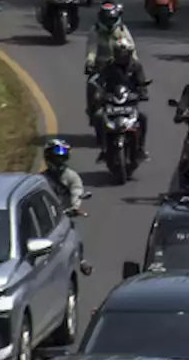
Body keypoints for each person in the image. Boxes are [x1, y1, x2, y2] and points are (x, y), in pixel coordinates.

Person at [90, 36, 149, 160]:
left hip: (130, 101)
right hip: (112, 101)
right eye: (118, 53)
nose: (121, 56)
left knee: (143, 118)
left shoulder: (135, 66)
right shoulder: (109, 65)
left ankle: (141, 148)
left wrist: (143, 93)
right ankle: (104, 147)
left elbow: (142, 82)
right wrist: (98, 94)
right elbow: (100, 81)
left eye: (123, 53)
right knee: (98, 116)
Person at [41, 139, 93, 276]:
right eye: (56, 158)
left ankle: (82, 260)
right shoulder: (41, 179)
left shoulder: (71, 176)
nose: (59, 162)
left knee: (75, 237)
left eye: (62, 158)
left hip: (65, 215)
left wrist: (75, 206)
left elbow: (77, 191)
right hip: (47, 218)